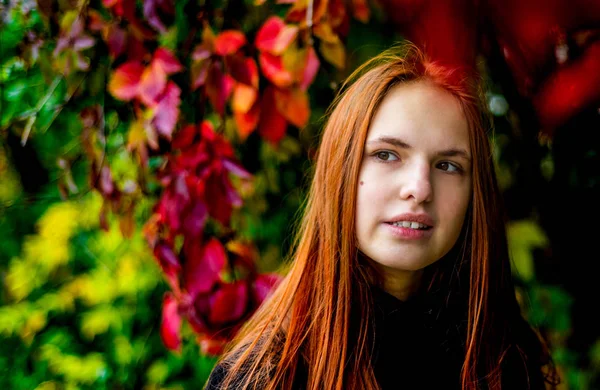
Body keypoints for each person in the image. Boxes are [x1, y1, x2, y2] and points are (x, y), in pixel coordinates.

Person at [204, 44, 560, 390]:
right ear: (339, 171)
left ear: (475, 195)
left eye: (448, 165)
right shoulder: (263, 376)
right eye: (387, 155)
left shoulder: (505, 363)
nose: (419, 188)